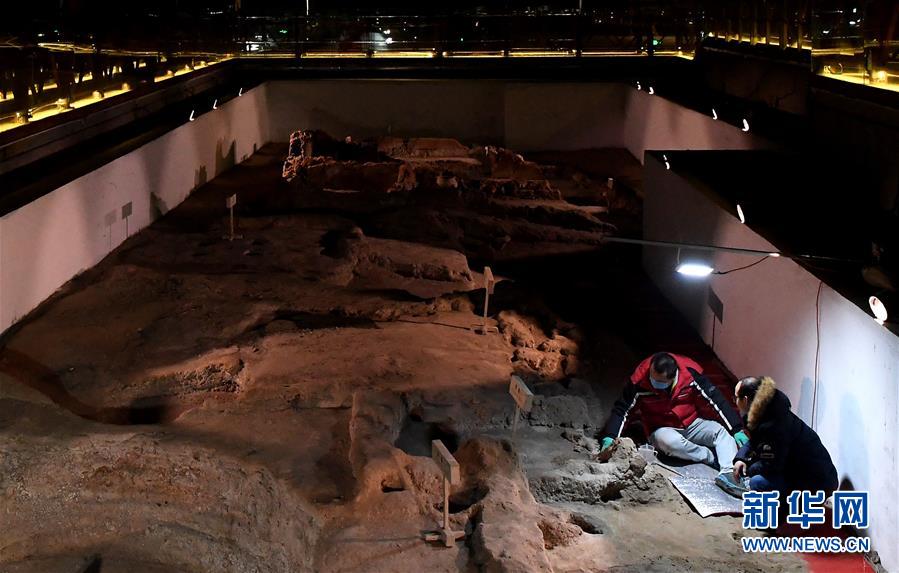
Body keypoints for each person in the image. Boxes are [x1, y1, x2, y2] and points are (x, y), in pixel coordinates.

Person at [599, 352, 750, 496]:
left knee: (720, 431)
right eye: (652, 378)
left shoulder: (690, 373)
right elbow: (622, 410)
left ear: (673, 377)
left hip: (691, 422)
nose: (654, 383)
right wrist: (611, 436)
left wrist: (737, 429)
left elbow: (716, 400)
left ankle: (729, 473)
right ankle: (710, 457)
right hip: (661, 429)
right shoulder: (640, 379)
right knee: (668, 442)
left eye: (659, 382)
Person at [732, 376, 838, 497]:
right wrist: (741, 458)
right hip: (805, 472)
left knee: (757, 482)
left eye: (735, 398)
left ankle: (793, 505)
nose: (735, 401)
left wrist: (748, 469)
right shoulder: (768, 410)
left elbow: (772, 465)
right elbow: (756, 441)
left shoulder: (773, 424)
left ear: (745, 400)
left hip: (817, 482)